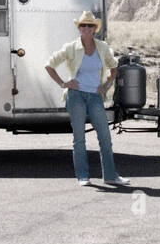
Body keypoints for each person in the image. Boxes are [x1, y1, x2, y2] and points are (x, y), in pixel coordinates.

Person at [44, 11, 130, 187]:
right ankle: (83, 176)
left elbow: (114, 68)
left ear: (94, 29)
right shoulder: (71, 47)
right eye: (83, 25)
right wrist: (63, 83)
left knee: (105, 136)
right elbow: (49, 64)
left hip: (95, 97)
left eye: (90, 26)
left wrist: (105, 86)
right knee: (79, 138)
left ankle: (110, 176)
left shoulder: (102, 47)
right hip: (76, 96)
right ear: (79, 28)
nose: (86, 28)